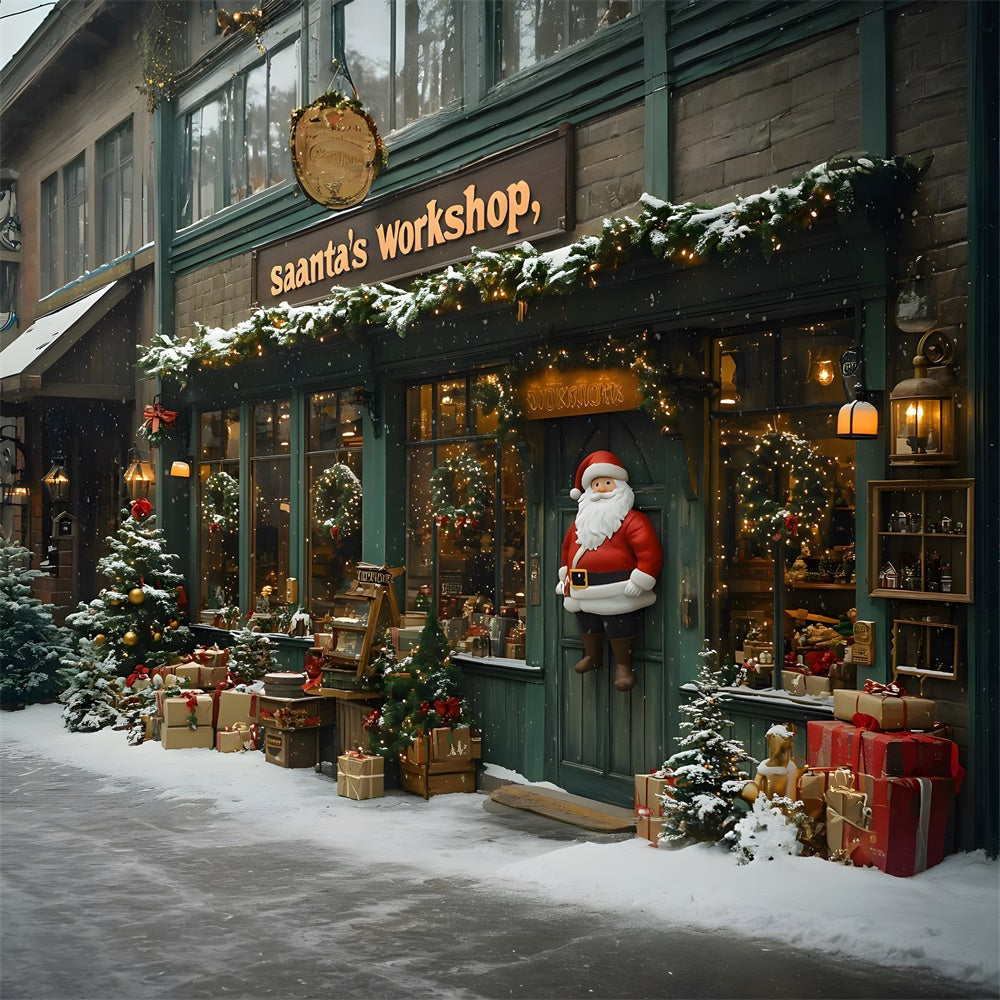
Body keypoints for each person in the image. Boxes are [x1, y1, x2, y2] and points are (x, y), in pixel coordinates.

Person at [556, 451, 663, 692]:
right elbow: (567, 549)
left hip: (618, 586)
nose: (602, 489)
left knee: (619, 622)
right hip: (582, 585)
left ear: (620, 487)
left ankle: (623, 665)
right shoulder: (580, 523)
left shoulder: (633, 521)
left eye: (607, 483)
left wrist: (642, 576)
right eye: (596, 484)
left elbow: (649, 551)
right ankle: (592, 655)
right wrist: (565, 572)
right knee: (587, 619)